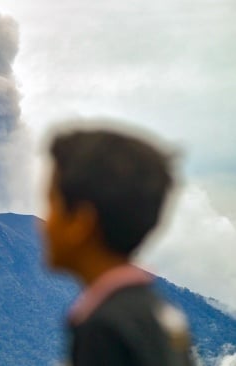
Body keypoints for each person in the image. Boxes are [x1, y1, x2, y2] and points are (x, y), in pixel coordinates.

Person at [42, 123, 195, 365]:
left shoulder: (103, 328)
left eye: (50, 206)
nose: (42, 224)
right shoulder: (162, 315)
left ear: (80, 224)